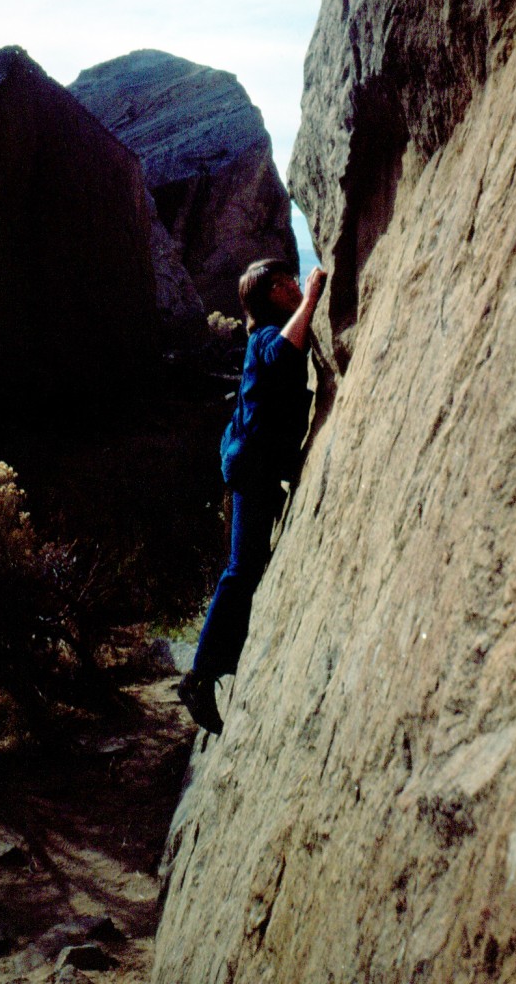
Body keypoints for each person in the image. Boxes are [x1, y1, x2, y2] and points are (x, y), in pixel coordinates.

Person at [178, 259, 327, 734]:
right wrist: (311, 298)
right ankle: (199, 677)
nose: (291, 286)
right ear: (268, 297)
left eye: (291, 281)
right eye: (283, 284)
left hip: (256, 464)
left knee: (249, 565)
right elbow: (285, 357)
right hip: (252, 466)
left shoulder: (265, 334)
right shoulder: (264, 337)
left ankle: (220, 662)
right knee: (242, 567)